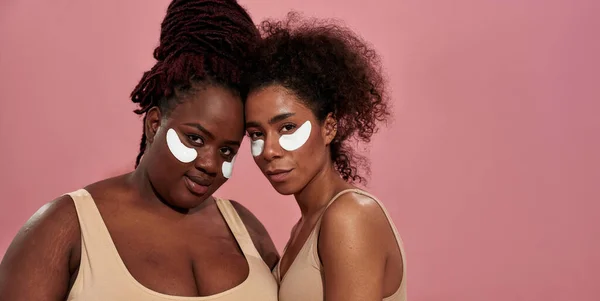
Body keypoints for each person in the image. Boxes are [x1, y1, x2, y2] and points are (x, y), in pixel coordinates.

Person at [0, 1, 279, 300]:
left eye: (227, 151)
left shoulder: (247, 231)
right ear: (154, 124)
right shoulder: (65, 227)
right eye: (195, 139)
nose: (210, 164)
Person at [243, 13, 407, 301]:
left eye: (287, 127)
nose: (269, 150)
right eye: (256, 134)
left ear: (329, 128)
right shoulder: (305, 227)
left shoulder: (350, 215)